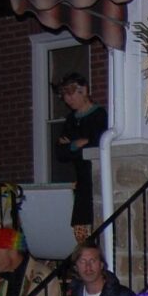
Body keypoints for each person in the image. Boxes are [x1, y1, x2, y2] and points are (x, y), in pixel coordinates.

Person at [55, 72, 108, 243]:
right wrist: (75, 144)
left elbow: (96, 146)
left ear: (83, 90)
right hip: (82, 184)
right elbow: (61, 154)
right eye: (64, 96)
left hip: (98, 180)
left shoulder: (99, 115)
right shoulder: (70, 120)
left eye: (70, 94)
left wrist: (76, 146)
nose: (67, 100)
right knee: (81, 234)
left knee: (100, 231)